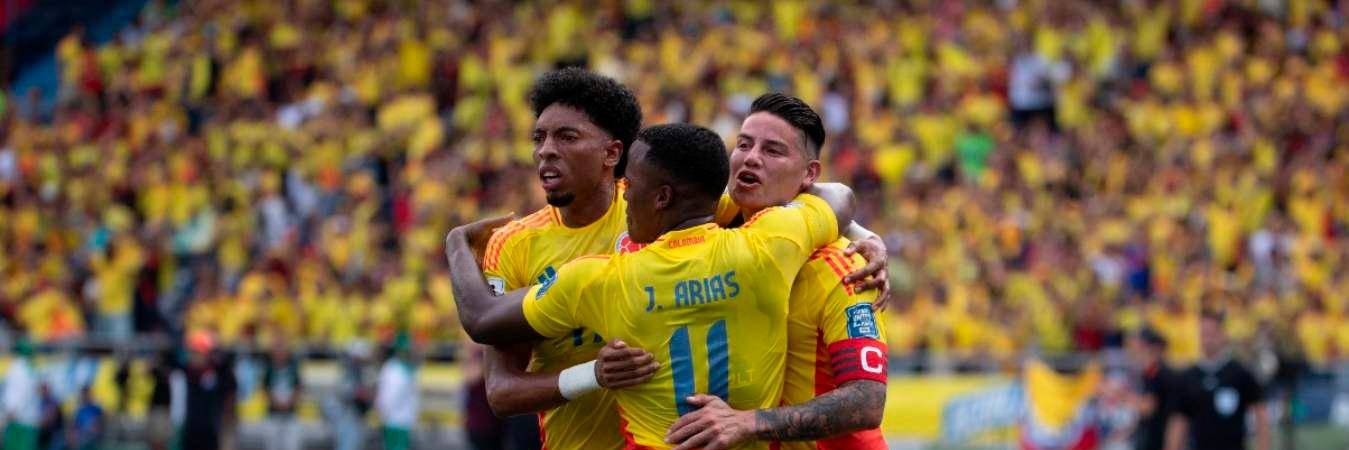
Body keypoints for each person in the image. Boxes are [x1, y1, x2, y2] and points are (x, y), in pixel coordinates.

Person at [446, 123, 854, 449]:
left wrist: (458, 245)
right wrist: (865, 236)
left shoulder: (602, 279)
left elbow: (482, 319)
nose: (624, 198)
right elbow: (837, 197)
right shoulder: (772, 242)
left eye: (632, 186)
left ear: (661, 198)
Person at [662, 93, 889, 450]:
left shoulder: (842, 268)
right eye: (744, 144)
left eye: (773, 151)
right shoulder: (715, 228)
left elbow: (866, 402)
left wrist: (747, 422)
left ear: (809, 175)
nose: (751, 158)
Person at [476, 67, 643, 450]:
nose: (545, 150)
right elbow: (501, 390)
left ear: (612, 153)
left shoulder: (656, 209)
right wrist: (594, 374)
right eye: (539, 137)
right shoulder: (513, 245)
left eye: (567, 136)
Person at [1165, 313, 1270, 450]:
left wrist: (1263, 446)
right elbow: (1179, 421)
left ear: (1223, 335)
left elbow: (1260, 413)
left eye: (1212, 333)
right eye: (1204, 334)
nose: (1208, 339)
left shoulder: (1240, 373)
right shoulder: (1188, 377)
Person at [174, 331, 237, 450]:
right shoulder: (186, 373)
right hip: (190, 431)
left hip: (211, 432)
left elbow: (228, 374)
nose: (195, 357)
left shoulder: (217, 374)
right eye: (193, 353)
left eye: (199, 353)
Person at [1129, 328, 1175, 450]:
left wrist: (1120, 396)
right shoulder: (1149, 373)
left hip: (1158, 439)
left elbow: (1148, 407)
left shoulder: (1158, 373)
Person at [376, 334, 419, 450]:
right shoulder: (393, 369)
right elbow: (389, 395)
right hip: (394, 420)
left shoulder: (406, 368)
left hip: (402, 419)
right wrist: (384, 411)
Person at [261, 338, 303, 450]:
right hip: (273, 413)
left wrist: (290, 402)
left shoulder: (293, 369)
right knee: (272, 445)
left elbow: (298, 388)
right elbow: (265, 389)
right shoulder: (268, 369)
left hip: (290, 414)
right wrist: (275, 403)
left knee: (291, 445)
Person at [2, 339, 40, 450]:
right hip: (30, 420)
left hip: (17, 420)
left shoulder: (17, 368)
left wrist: (11, 411)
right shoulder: (32, 368)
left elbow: (16, 392)